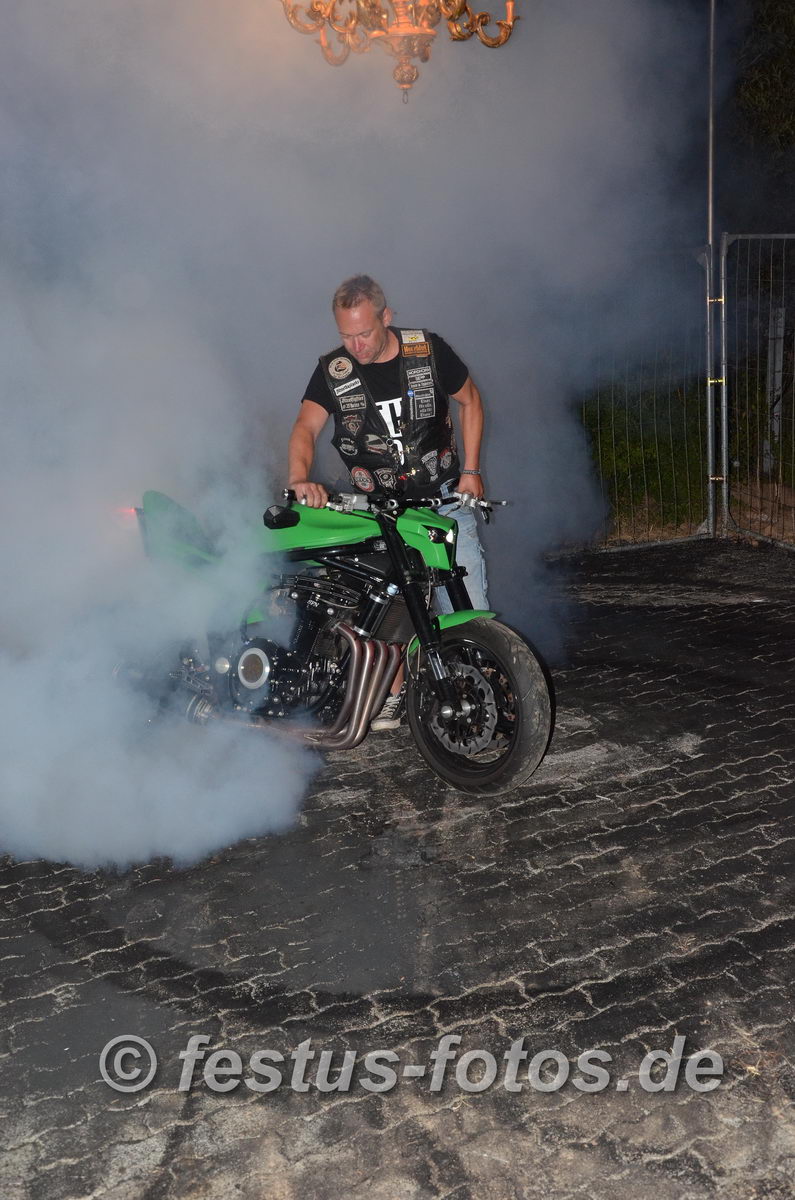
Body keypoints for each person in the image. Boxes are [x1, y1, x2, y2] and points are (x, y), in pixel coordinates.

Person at [287, 274, 489, 730]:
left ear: (386, 317)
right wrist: (299, 478)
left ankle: (478, 696)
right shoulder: (333, 370)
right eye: (346, 336)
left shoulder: (427, 350)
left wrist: (472, 472)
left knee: (468, 615)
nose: (355, 346)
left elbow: (471, 401)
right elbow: (305, 428)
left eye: (364, 333)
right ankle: (392, 695)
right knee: (386, 608)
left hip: (443, 504)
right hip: (380, 513)